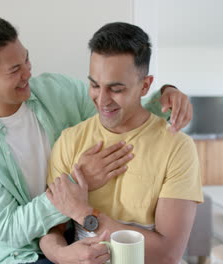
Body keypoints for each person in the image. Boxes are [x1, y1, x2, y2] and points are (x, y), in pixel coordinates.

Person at [0, 16, 193, 264]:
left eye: (26, 59)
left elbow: (117, 109)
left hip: (70, 235)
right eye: (15, 70)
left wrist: (166, 95)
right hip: (23, 253)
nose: (28, 73)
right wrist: (78, 185)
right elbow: (9, 228)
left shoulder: (54, 91)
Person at [43, 22, 203, 264]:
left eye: (116, 89)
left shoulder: (177, 147)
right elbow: (51, 229)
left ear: (145, 86)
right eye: (95, 85)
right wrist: (60, 254)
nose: (102, 100)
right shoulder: (69, 141)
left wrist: (85, 214)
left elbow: (167, 254)